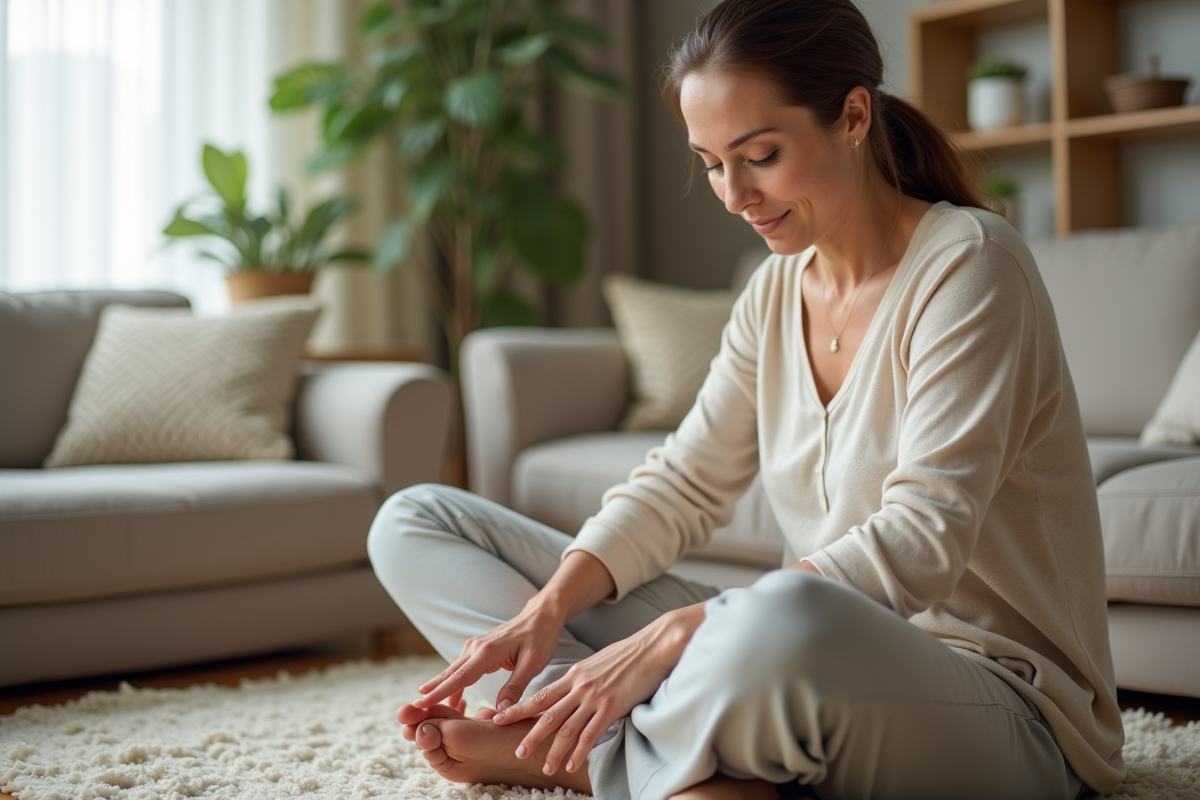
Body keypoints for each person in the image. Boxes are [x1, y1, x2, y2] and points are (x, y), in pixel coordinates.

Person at [366, 0, 1127, 797]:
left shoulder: (971, 268)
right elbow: (685, 481)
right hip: (801, 662)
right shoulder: (774, 291)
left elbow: (922, 538)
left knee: (771, 622)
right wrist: (547, 609)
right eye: (710, 162)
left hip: (1006, 707)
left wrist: (683, 634)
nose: (733, 194)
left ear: (854, 115)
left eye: (759, 155)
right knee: (415, 520)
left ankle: (586, 751)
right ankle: (607, 732)